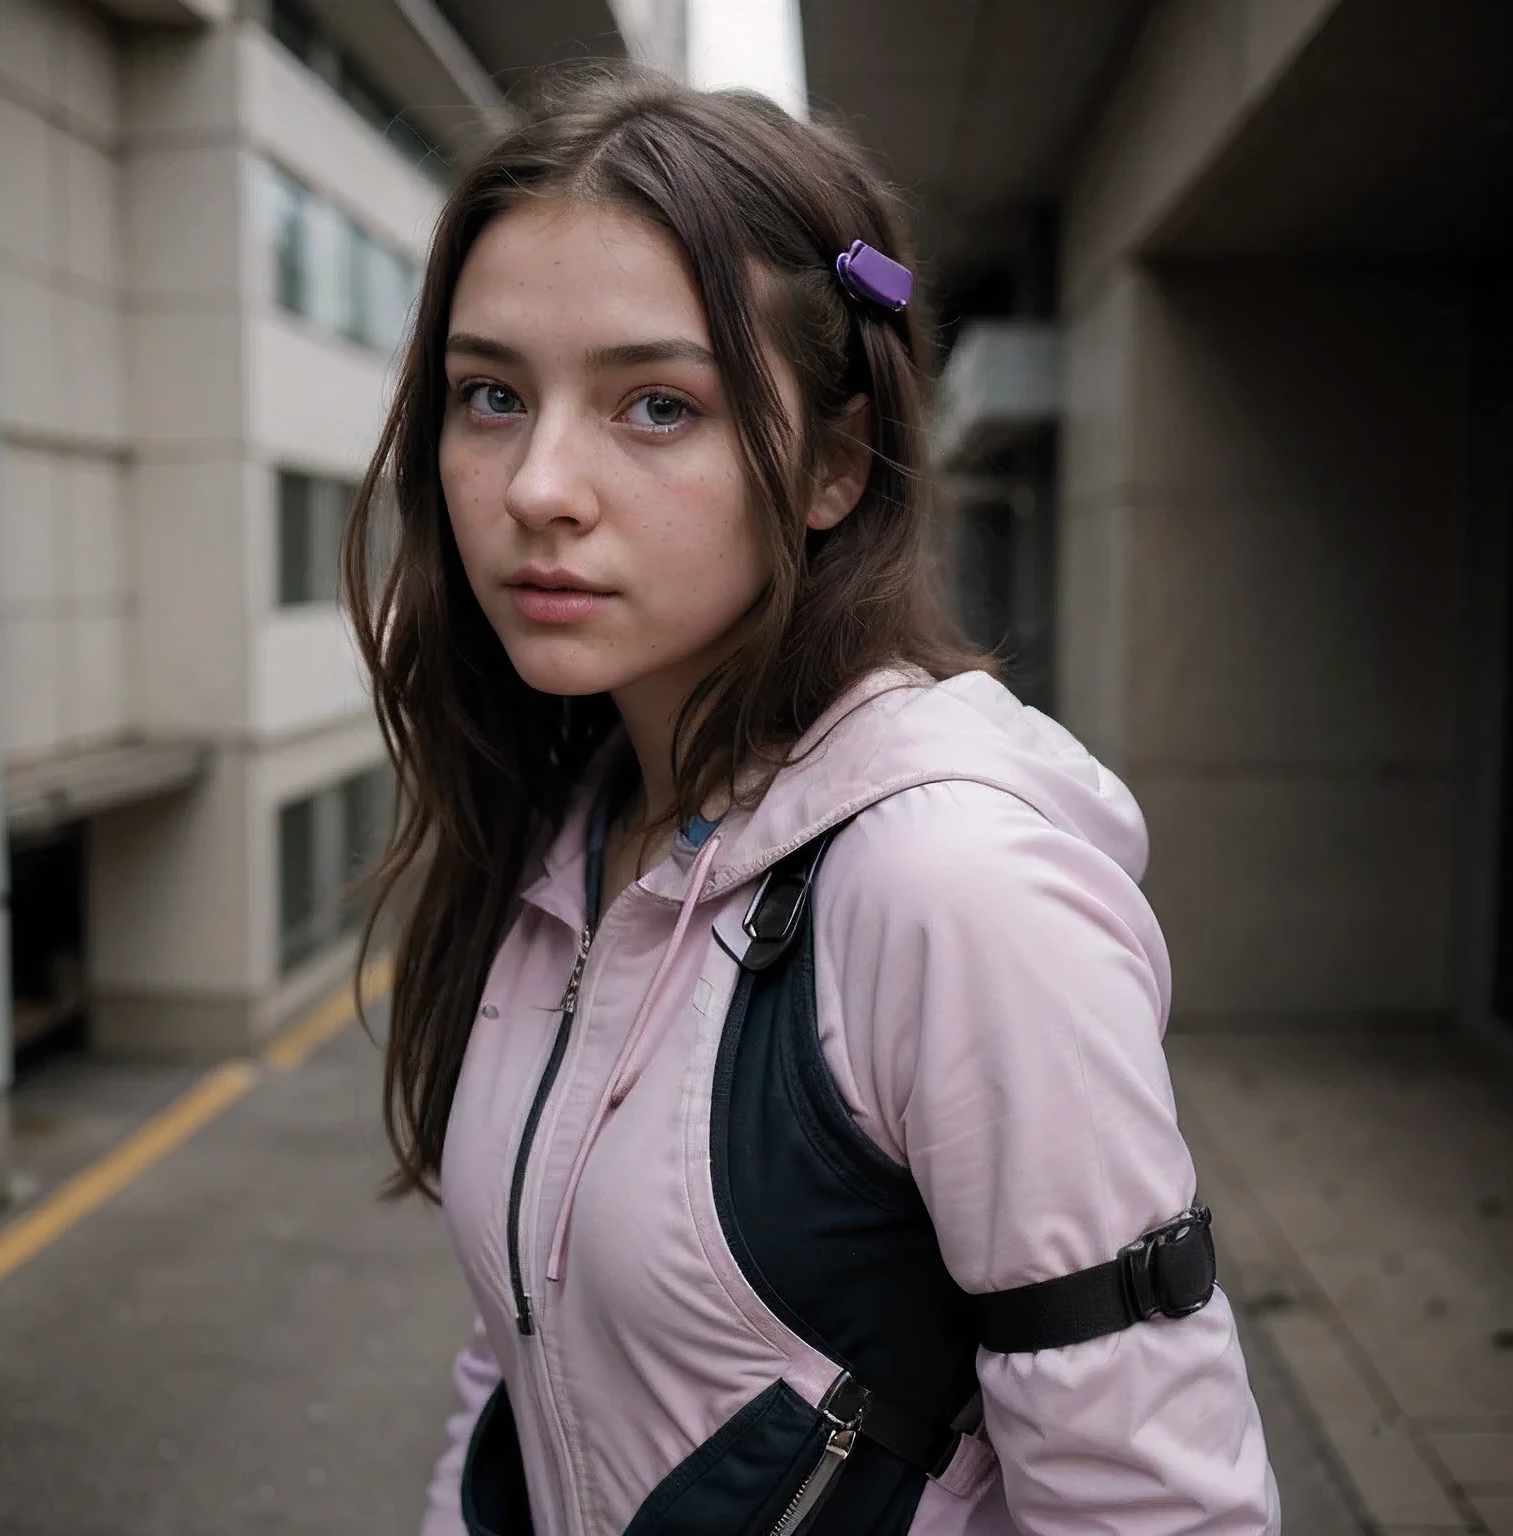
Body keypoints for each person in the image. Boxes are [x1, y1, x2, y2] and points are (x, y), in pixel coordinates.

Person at [341, 65, 1280, 1536]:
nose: (537, 485)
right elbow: (525, 1353)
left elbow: (1150, 1502)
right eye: (490, 395)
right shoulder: (563, 833)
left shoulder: (951, 887)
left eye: (657, 404)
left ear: (836, 462)